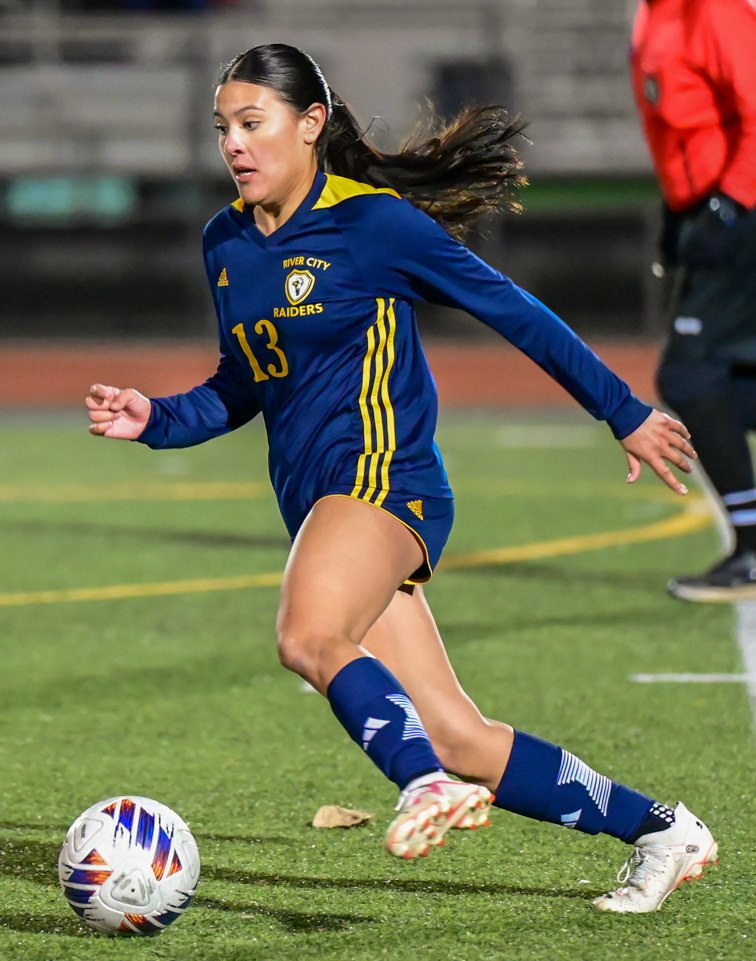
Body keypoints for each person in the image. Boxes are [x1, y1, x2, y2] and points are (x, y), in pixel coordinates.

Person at [87, 43, 717, 912]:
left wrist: (624, 411)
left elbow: (516, 311)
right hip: (323, 507)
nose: (234, 143)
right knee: (461, 735)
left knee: (308, 637)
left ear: (311, 126)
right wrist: (154, 417)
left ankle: (419, 784)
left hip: (385, 482)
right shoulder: (226, 241)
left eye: (253, 122)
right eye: (223, 127)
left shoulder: (372, 224)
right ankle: (663, 829)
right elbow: (243, 382)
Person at [631, 0, 756, 601]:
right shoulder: (655, 13)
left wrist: (728, 208)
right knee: (729, 382)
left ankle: (755, 549)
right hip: (710, 210)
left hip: (743, 211)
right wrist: (679, 217)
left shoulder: (714, 10)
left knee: (691, 378)